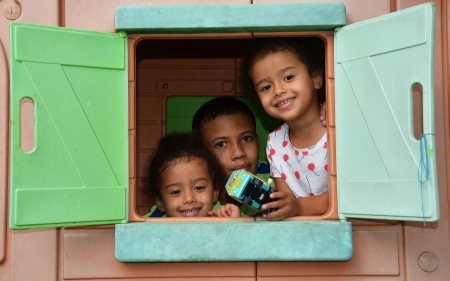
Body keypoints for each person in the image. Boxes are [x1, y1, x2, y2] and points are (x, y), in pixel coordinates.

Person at [239, 37, 329, 221]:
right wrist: (282, 206)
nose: (278, 90)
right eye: (266, 87)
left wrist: (298, 207)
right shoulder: (274, 143)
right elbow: (285, 202)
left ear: (316, 79)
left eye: (288, 77)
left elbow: (347, 197)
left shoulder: (337, 125)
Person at [143, 132, 240, 218]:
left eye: (199, 187)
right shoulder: (152, 228)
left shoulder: (223, 219)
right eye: (176, 192)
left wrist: (233, 226)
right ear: (160, 202)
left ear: (215, 192)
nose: (189, 198)